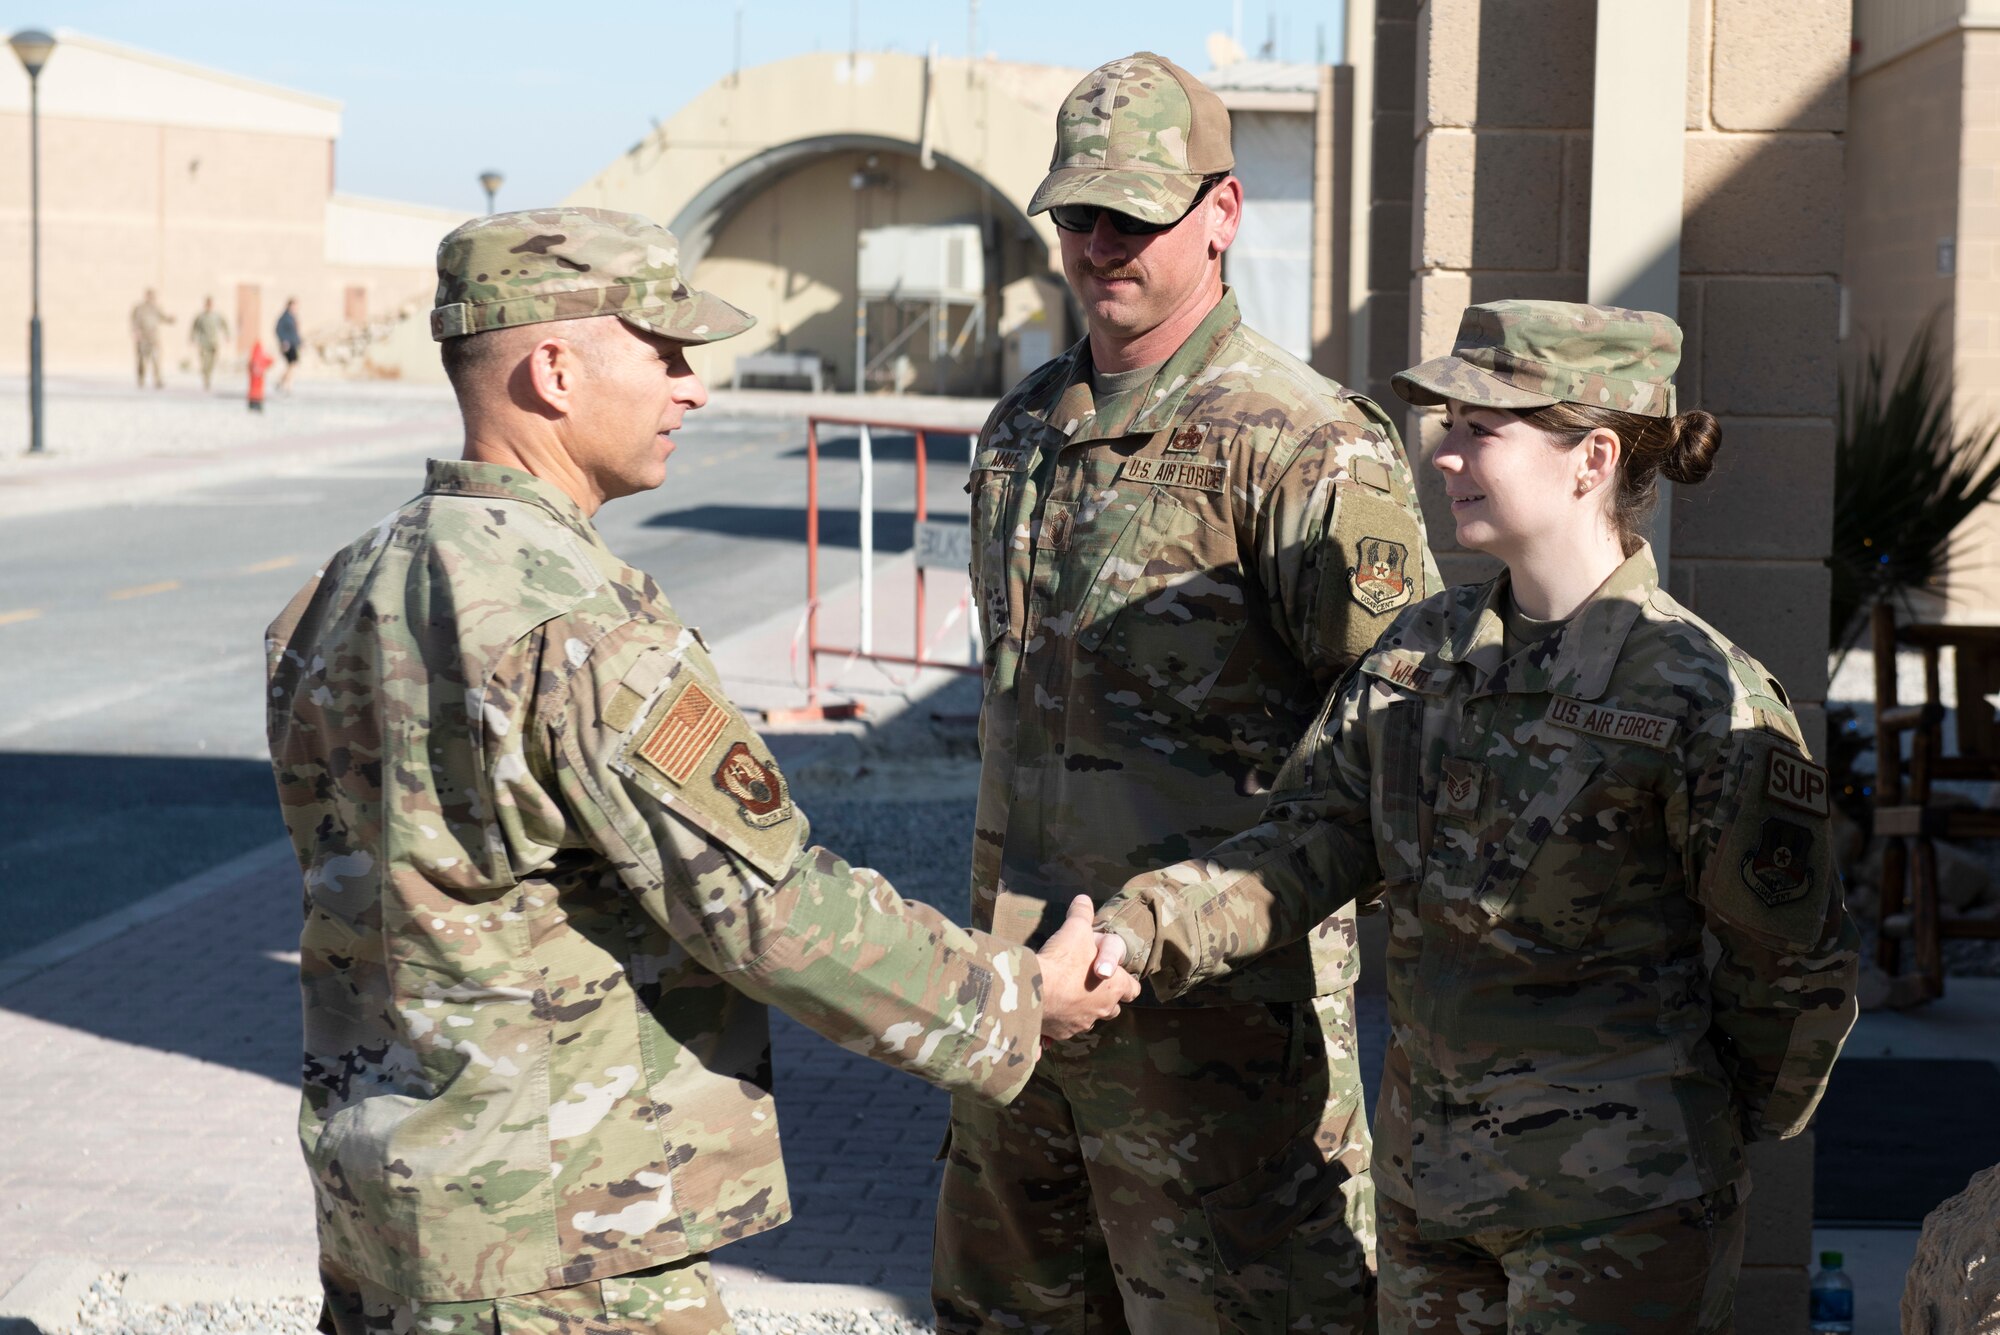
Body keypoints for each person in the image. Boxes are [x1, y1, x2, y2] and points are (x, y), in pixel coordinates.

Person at [264, 207, 1138, 1335]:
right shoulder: (576, 620)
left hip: (392, 1221)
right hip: (560, 1252)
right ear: (554, 370)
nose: (693, 387)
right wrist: (1011, 1001)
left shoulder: (335, 594)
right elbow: (767, 907)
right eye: (664, 352)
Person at [1095, 299, 1861, 1334]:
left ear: (1589, 458)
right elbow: (1305, 843)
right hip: (1430, 1198)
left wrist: (1683, 1129)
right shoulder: (1418, 656)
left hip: (1615, 1214)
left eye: (1477, 429)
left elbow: (1791, 973)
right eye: (1446, 427)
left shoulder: (1700, 697)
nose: (1442, 457)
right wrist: (1135, 932)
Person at [934, 51, 1438, 1335]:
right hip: (1019, 1011)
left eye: (1133, 216)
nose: (1099, 244)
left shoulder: (1304, 444)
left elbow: (1397, 746)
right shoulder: (1021, 434)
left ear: (1220, 212)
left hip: (1215, 1037)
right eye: (1076, 215)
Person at [130, 289, 172, 389]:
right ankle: (141, 378)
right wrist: (136, 332)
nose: (151, 298)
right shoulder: (139, 308)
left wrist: (170, 319)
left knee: (156, 359)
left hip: (154, 338)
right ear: (146, 296)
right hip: (143, 337)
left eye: (153, 296)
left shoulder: (156, 308)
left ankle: (157, 380)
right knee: (142, 360)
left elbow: (163, 317)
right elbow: (134, 321)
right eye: (150, 296)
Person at [189, 296, 230, 391]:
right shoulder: (201, 317)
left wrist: (227, 335)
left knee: (212, 361)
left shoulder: (217, 316)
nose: (208, 306)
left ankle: (208, 375)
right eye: (207, 304)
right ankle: (206, 378)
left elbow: (224, 325)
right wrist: (192, 338)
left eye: (210, 304)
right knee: (204, 362)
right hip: (203, 342)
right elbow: (194, 328)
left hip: (213, 342)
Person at [275, 297, 301, 392]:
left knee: (291, 365)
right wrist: (284, 341)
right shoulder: (285, 317)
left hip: (294, 344)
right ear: (289, 305)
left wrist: (300, 342)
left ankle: (282, 382)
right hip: (287, 345)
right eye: (294, 305)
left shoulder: (293, 317)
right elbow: (278, 330)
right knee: (291, 364)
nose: (295, 307)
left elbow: (295, 332)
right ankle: (286, 385)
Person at [246, 339, 272, 413]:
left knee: (252, 408)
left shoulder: (252, 361)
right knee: (258, 408)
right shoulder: (261, 359)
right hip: (259, 395)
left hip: (252, 395)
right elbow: (270, 361)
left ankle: (252, 407)